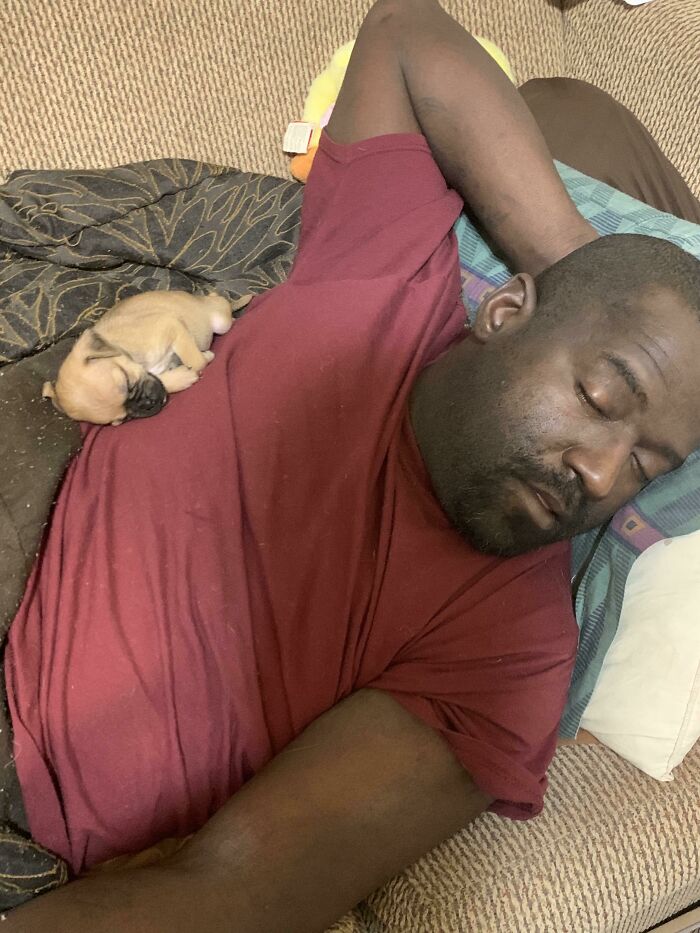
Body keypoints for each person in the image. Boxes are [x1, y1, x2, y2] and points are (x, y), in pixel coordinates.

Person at [5, 0, 700, 929]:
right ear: (503, 314)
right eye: (604, 397)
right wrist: (589, 265)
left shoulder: (515, 655)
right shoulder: (384, 268)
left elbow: (236, 891)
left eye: (652, 462)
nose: (606, 471)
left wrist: (595, 325)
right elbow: (407, 33)